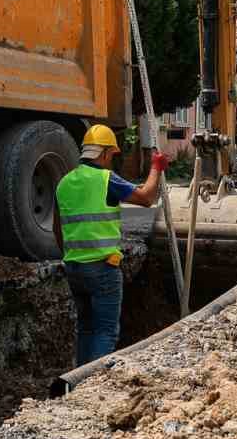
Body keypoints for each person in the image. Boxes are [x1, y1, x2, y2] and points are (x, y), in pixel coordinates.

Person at [54, 124, 167, 366]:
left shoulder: (64, 183)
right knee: (105, 332)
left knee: (85, 329)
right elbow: (146, 197)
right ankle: (92, 384)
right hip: (103, 269)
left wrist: (72, 254)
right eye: (111, 156)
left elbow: (57, 228)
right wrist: (156, 168)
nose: (111, 162)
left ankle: (77, 383)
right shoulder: (106, 179)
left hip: (73, 267)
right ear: (104, 153)